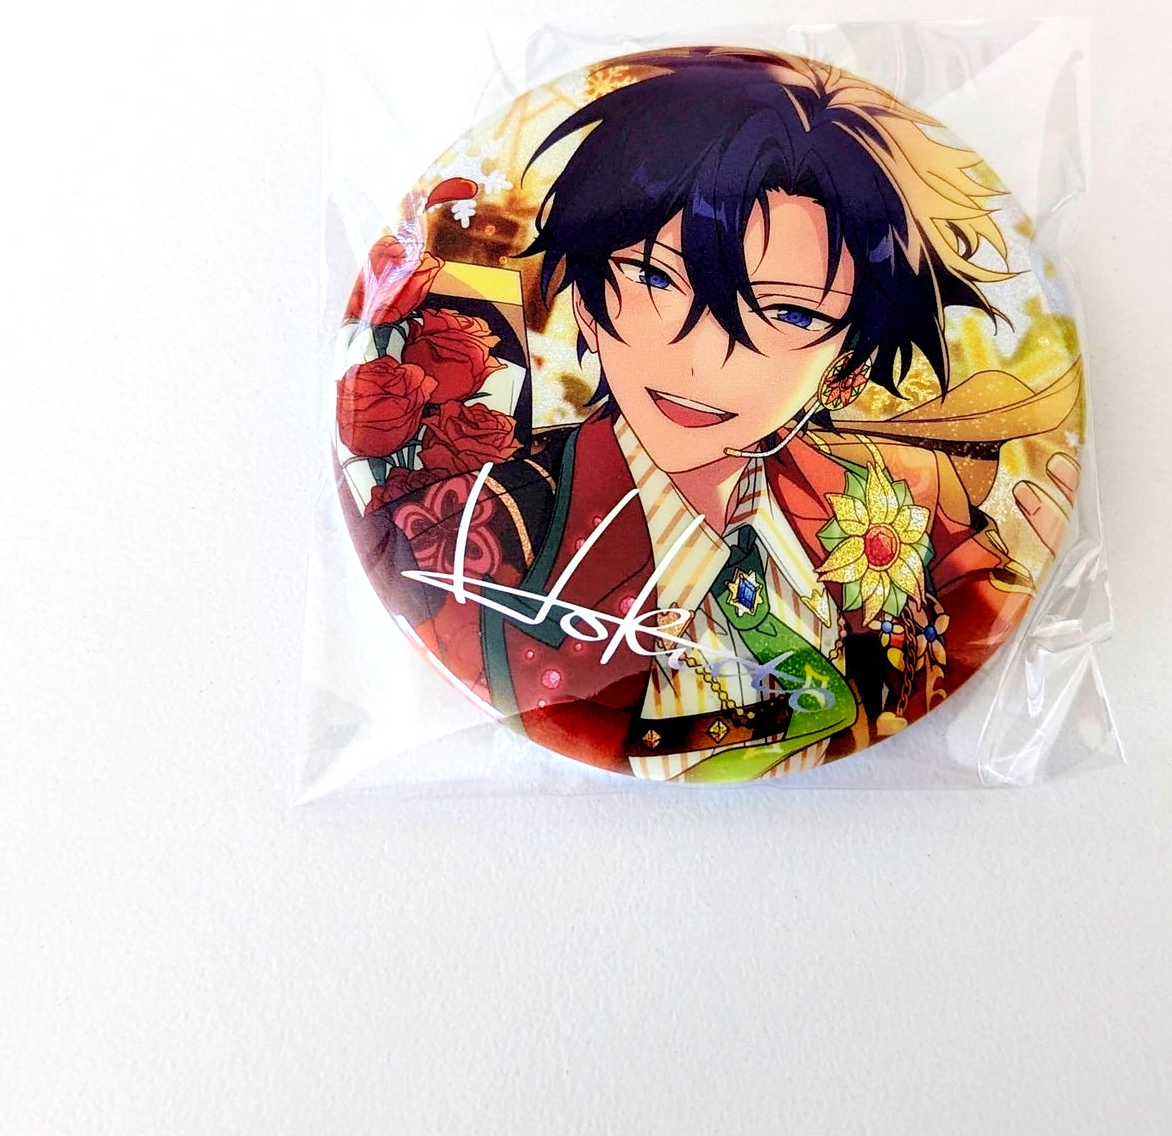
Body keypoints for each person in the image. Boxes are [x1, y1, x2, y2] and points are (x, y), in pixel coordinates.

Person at [343, 47, 1080, 781]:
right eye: (654, 277)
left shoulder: (903, 505)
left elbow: (975, 619)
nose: (703, 359)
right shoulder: (485, 532)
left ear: (847, 363)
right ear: (585, 299)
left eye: (789, 312)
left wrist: (1037, 585)